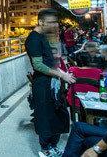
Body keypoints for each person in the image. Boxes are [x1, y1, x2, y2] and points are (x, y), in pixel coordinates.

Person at [25, 8, 75, 157]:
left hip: (52, 82)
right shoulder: (33, 38)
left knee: (58, 115)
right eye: (51, 22)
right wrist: (62, 75)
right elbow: (38, 65)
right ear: (41, 22)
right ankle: (46, 149)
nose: (54, 25)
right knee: (46, 117)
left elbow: (52, 59)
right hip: (43, 84)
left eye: (56, 22)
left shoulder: (44, 36)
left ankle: (52, 147)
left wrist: (62, 72)